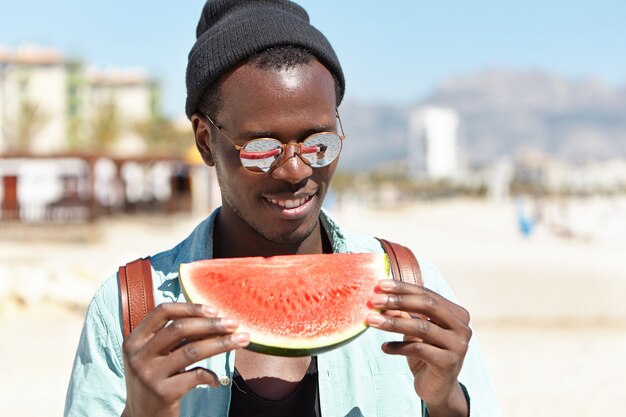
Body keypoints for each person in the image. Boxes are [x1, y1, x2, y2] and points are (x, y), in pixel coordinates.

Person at [65, 1, 499, 416]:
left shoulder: (410, 288)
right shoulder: (129, 308)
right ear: (205, 141)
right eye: (260, 148)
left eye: (319, 143)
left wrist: (449, 404)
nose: (295, 170)